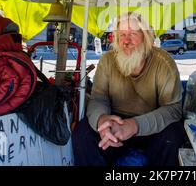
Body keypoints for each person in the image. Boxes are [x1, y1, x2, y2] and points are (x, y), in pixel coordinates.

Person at [72, 12, 185, 166]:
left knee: (173, 135)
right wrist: (101, 120)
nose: (126, 41)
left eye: (133, 34)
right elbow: (99, 97)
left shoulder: (163, 63)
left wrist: (134, 125)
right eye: (122, 34)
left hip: (151, 124)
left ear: (146, 37)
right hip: (115, 123)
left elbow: (173, 109)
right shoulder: (107, 61)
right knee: (83, 134)